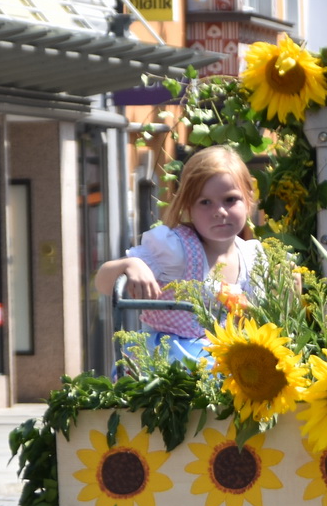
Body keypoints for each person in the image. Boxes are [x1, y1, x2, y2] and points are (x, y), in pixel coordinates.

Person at [95, 145, 264, 363]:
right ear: (188, 207)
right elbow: (102, 283)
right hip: (172, 367)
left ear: (249, 199)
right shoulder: (176, 250)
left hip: (229, 370)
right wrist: (129, 265)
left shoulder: (252, 257)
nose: (220, 211)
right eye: (205, 202)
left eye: (230, 199)